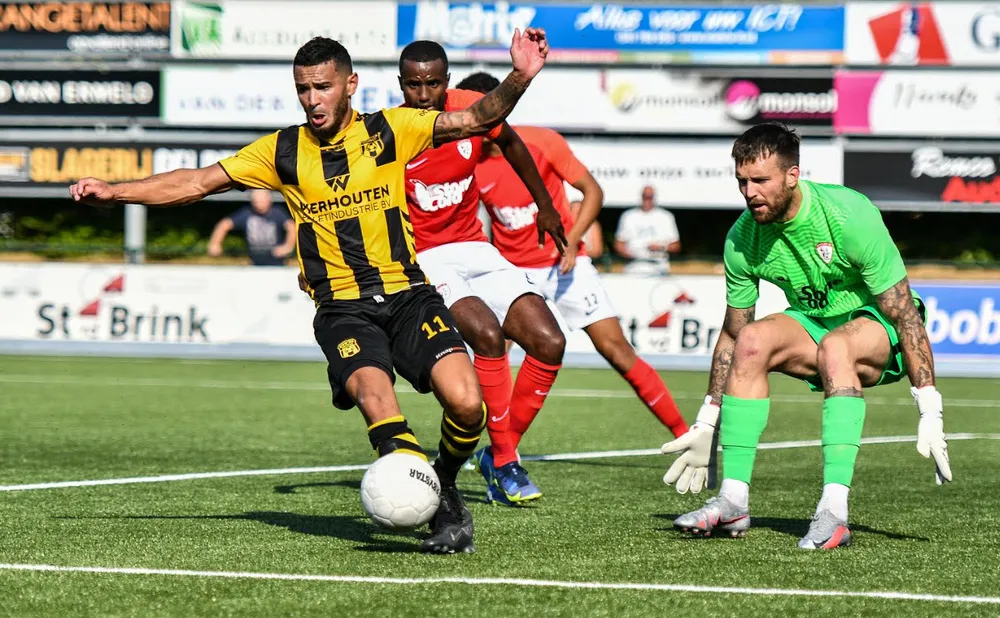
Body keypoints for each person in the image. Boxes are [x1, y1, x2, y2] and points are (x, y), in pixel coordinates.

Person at [69, 31, 553, 554]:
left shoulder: (393, 129)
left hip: (410, 296)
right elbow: (197, 182)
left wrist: (521, 76)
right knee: (378, 403)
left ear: (351, 85)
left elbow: (476, 119)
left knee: (467, 405)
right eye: (303, 89)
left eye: (323, 87)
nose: (312, 99)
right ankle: (432, 501)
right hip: (344, 309)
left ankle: (445, 484)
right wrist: (115, 192)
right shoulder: (280, 150)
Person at [660, 123, 951, 550]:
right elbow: (732, 334)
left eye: (761, 180)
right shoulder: (742, 238)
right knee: (752, 340)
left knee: (837, 346)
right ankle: (733, 501)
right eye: (742, 181)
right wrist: (707, 418)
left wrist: (930, 409)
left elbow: (905, 316)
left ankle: (834, 513)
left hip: (877, 327)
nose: (749, 193)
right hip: (814, 323)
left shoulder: (848, 216)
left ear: (792, 175)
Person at [459, 72, 690, 496]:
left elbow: (592, 191)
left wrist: (573, 240)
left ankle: (686, 437)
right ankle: (502, 455)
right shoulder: (465, 158)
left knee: (616, 350)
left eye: (483, 106)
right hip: (512, 273)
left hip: (566, 265)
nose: (475, 115)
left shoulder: (541, 142)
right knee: (493, 356)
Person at [397, 41, 567, 505]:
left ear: (447, 81)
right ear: (401, 84)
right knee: (488, 336)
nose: (424, 94)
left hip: (475, 246)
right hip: (427, 257)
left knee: (550, 341)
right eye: (414, 85)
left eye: (433, 83)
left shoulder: (470, 109)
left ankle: (496, 453)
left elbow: (510, 142)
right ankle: (507, 461)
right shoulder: (393, 130)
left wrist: (545, 205)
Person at [207, 189, 296, 266]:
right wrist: (215, 244)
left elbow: (292, 227)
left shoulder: (278, 213)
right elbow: (224, 225)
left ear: (269, 199)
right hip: (254, 261)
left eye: (261, 201)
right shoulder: (246, 213)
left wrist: (287, 247)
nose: (258, 204)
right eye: (256, 201)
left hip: (278, 262)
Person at [613, 185, 681, 275]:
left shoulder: (666, 217)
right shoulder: (628, 216)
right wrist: (627, 253)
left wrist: (660, 247)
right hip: (633, 267)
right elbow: (619, 243)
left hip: (658, 267)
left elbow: (676, 246)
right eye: (645, 196)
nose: (647, 199)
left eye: (650, 197)